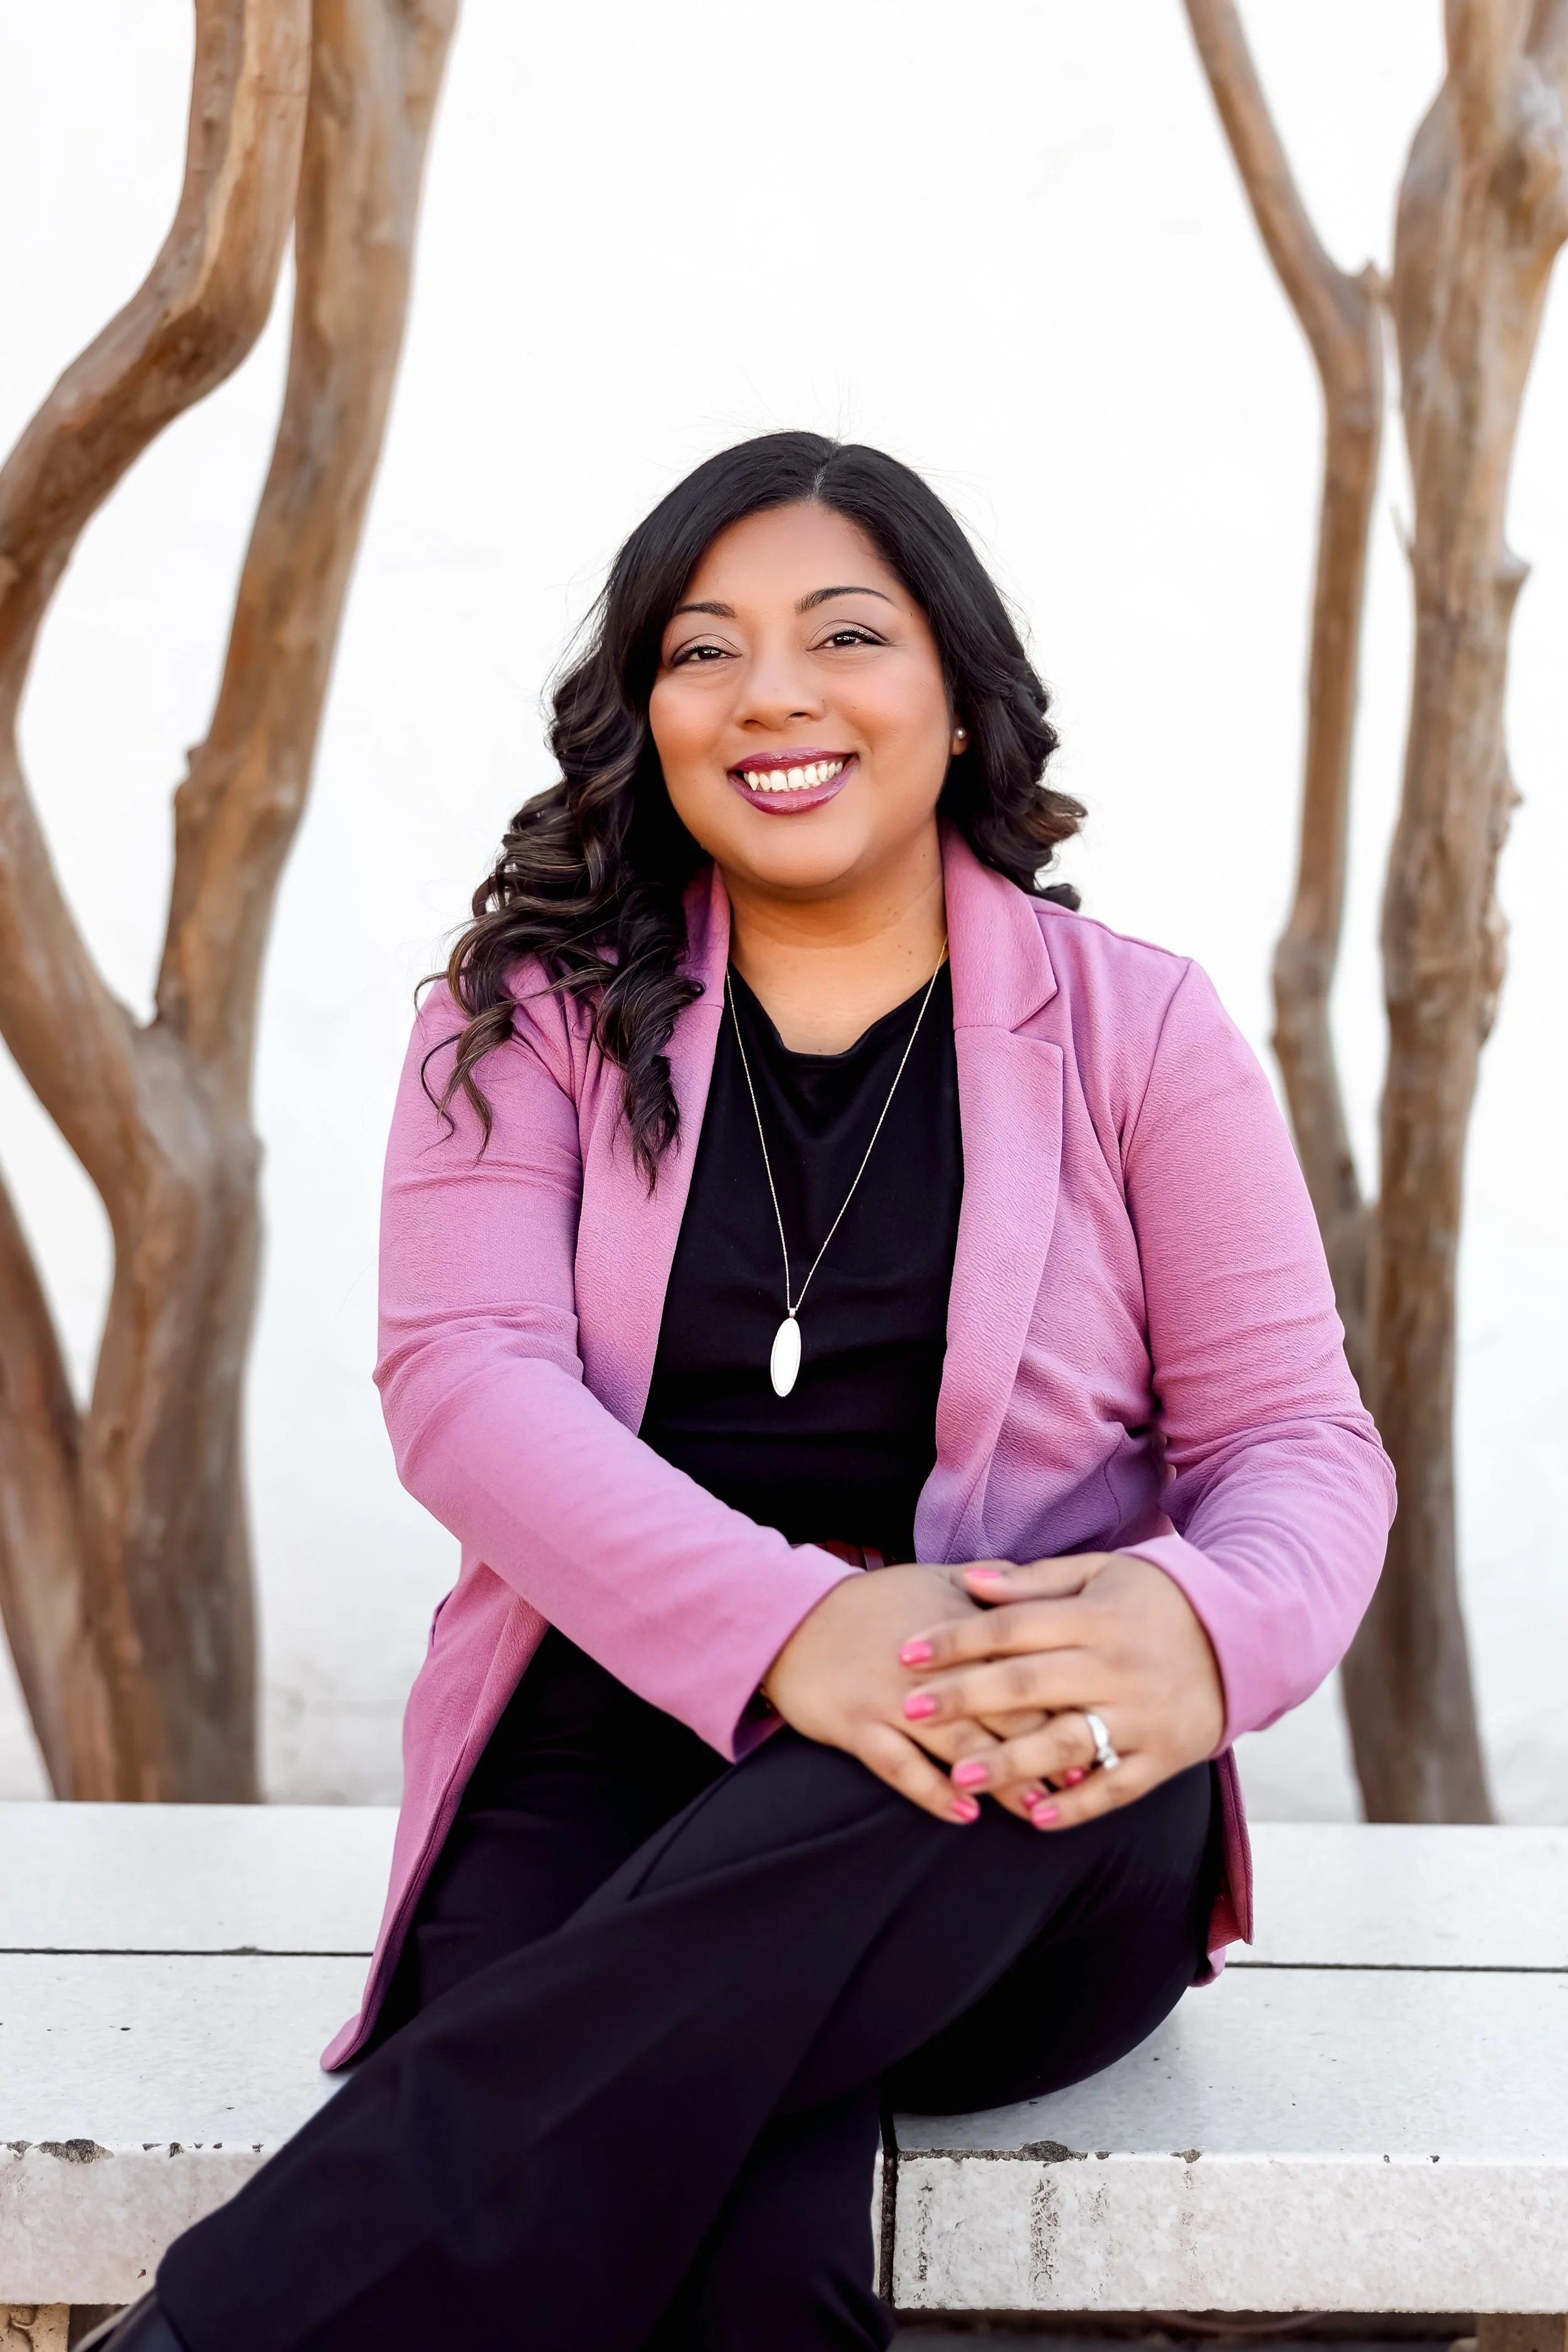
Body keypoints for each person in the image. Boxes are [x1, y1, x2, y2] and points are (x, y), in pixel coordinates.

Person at [87, 433, 1393, 2352]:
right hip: (599, 1772)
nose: (771, 693)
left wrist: (1203, 1626)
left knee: (977, 1716)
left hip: (1021, 1795)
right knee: (736, 2232)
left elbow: (1294, 1441)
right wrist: (799, 1632)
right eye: (703, 649)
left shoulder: (1139, 1028)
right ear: (649, 716)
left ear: (955, 696)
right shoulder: (516, 1020)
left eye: (843, 633)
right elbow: (464, 1384)